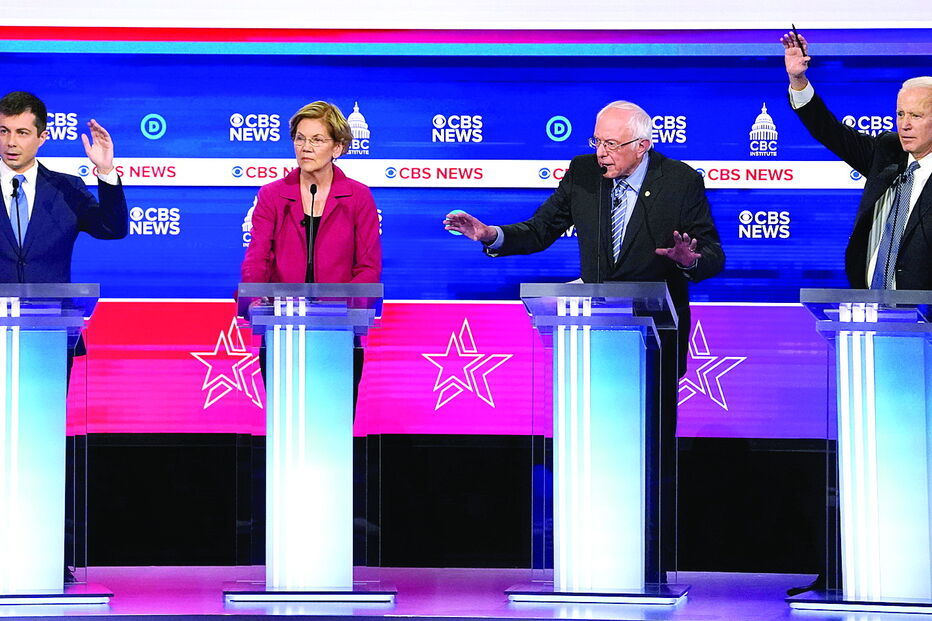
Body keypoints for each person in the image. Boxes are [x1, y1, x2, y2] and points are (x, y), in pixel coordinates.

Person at [444, 100, 725, 581]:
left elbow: (713, 256)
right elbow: (539, 229)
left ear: (642, 146)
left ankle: (646, 568)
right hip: (591, 342)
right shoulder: (582, 173)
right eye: (596, 141)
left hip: (654, 341)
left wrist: (687, 258)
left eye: (611, 145)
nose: (600, 153)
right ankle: (591, 561)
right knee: (593, 453)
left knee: (648, 457)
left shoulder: (681, 181)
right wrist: (491, 234)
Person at [782, 32, 932, 291]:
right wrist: (798, 79)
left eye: (916, 116)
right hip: (869, 309)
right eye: (900, 114)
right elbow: (830, 131)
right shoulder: (887, 152)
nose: (905, 125)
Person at [241, 100, 381, 285]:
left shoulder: (358, 197)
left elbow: (368, 267)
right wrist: (255, 301)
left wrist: (346, 307)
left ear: (337, 148)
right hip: (282, 310)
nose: (306, 147)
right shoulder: (272, 195)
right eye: (300, 138)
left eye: (317, 140)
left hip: (340, 310)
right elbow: (257, 260)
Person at [0, 91, 127, 282]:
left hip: (51, 309)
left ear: (42, 138)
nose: (11, 142)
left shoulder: (66, 188)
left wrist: (105, 169)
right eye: (3, 131)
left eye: (22, 133)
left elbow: (112, 229)